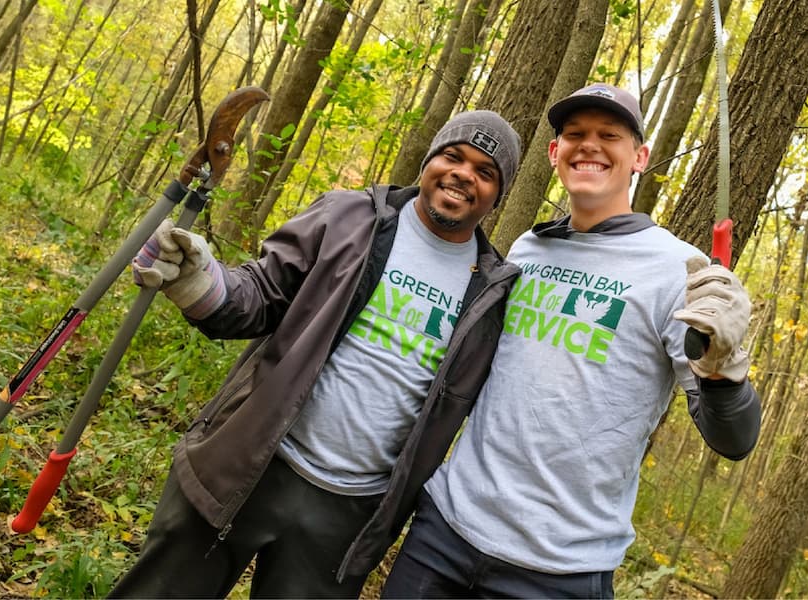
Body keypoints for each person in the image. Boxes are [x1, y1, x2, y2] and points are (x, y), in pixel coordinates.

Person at [108, 110, 522, 598]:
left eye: (484, 171)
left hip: (346, 515)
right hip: (250, 461)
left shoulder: (492, 293)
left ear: (498, 193)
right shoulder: (349, 217)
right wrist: (200, 282)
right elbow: (261, 293)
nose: (463, 174)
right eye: (453, 157)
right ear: (430, 160)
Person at [381, 83, 762, 599]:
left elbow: (733, 440)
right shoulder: (528, 248)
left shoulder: (680, 271)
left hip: (559, 571)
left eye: (609, 135)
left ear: (640, 158)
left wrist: (722, 370)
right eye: (575, 134)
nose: (590, 145)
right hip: (444, 534)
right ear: (554, 153)